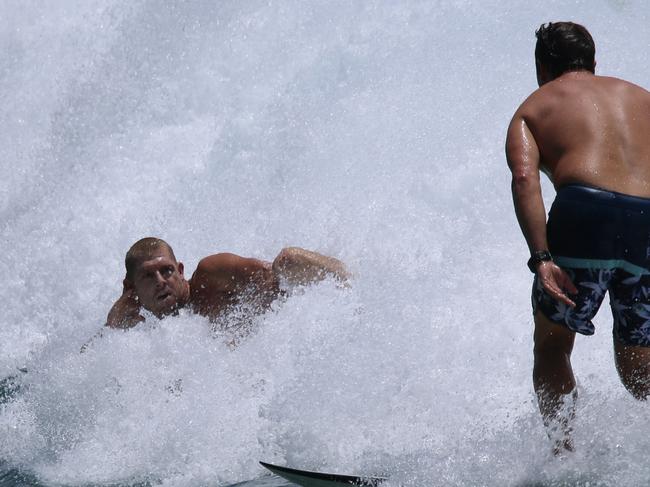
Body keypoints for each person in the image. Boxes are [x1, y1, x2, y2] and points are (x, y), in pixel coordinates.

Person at [505, 21, 650, 453]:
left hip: (584, 217)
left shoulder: (534, 107)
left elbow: (524, 176)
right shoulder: (641, 98)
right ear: (593, 62)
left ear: (541, 66)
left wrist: (541, 258)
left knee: (552, 348)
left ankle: (564, 460)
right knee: (638, 367)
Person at [105, 237, 349, 329]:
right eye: (148, 276)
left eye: (167, 271)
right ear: (131, 287)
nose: (161, 282)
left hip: (301, 318)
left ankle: (354, 282)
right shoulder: (136, 324)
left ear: (180, 271)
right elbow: (90, 363)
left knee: (288, 260)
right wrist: (112, 323)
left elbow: (275, 282)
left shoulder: (211, 275)